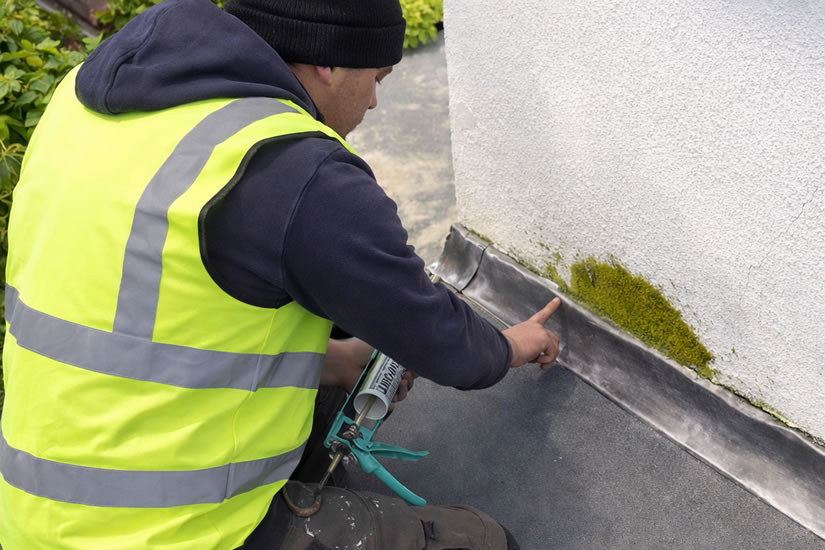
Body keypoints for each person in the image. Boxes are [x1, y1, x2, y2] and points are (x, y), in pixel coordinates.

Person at [0, 0, 561, 548]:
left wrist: (332, 361)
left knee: (336, 373)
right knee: (480, 539)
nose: (373, 100)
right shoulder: (293, 169)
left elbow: (144, 321)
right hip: (166, 530)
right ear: (329, 61)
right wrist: (510, 345)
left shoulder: (84, 98)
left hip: (32, 512)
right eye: (376, 77)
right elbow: (436, 336)